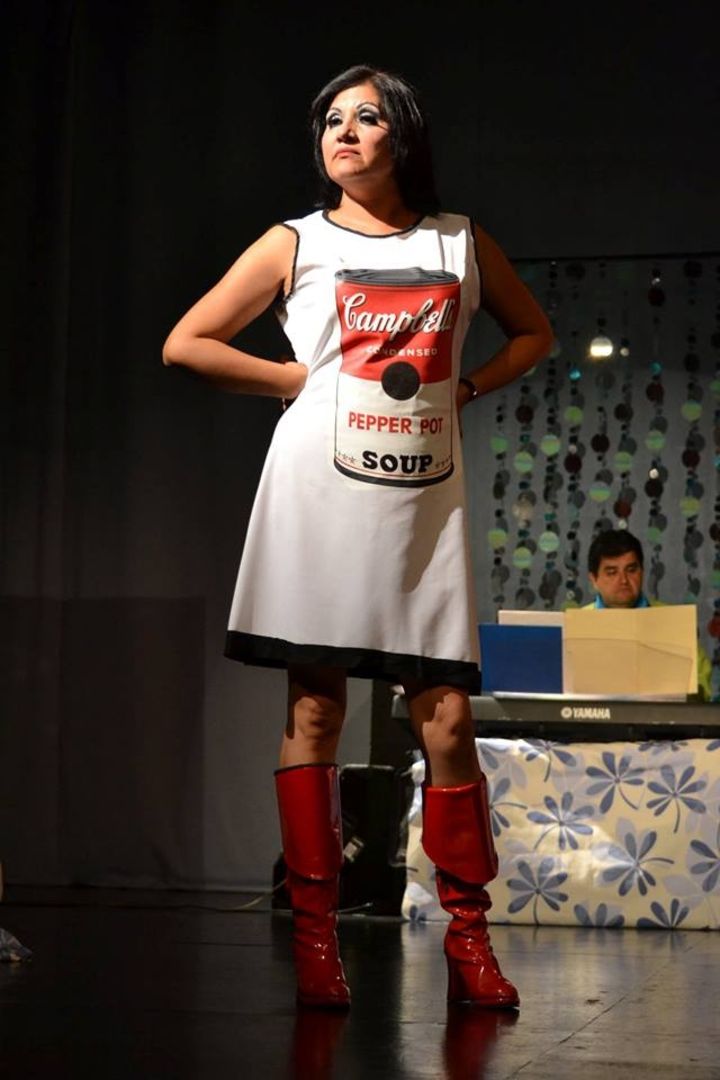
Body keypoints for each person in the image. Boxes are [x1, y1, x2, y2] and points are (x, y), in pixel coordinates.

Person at [163, 64, 553, 1011]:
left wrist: (465, 387)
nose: (343, 132)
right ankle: (315, 943)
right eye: (331, 119)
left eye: (366, 117)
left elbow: (533, 334)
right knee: (316, 712)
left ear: (402, 135)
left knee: (447, 717)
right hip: (320, 489)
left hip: (422, 499)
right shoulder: (295, 241)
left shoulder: (458, 240)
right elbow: (187, 342)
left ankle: (469, 939)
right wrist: (297, 381)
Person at [586, 528, 712, 699]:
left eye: (631, 570)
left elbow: (701, 688)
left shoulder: (674, 623)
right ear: (593, 579)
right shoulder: (574, 624)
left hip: (663, 715)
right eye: (612, 572)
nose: (623, 580)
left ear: (642, 572)